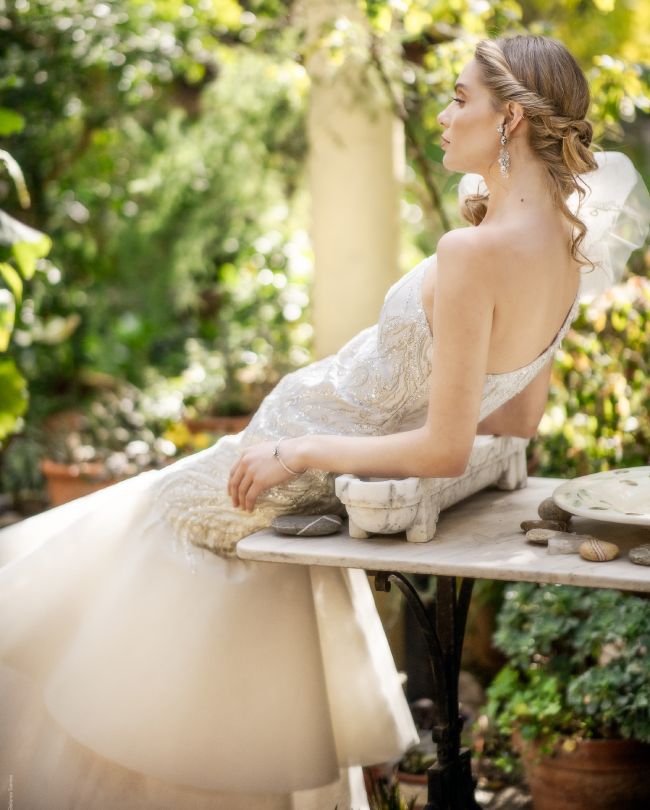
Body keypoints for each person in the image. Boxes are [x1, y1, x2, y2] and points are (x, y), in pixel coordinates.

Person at [1, 33, 648, 810]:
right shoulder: (568, 251)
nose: (442, 115)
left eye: (458, 98)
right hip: (293, 457)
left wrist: (297, 449)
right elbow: (517, 414)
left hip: (290, 462)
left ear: (510, 120)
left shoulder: (473, 252)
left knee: (125, 560)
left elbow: (447, 448)